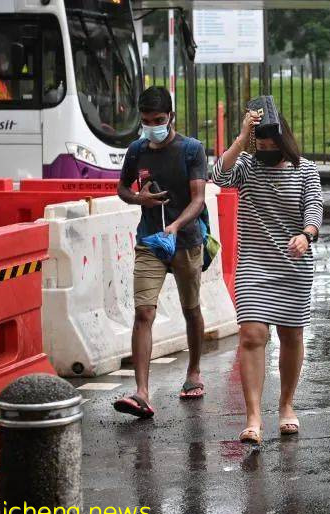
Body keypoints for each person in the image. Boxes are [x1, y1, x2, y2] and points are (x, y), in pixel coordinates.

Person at [213, 105, 323, 445]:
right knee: (252, 334)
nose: (263, 150)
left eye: (268, 143)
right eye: (257, 144)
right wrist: (242, 136)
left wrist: (306, 235)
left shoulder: (305, 170)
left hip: (294, 265)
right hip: (255, 265)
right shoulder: (245, 166)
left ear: (282, 139)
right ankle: (253, 416)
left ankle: (286, 405)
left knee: (291, 336)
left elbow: (314, 208)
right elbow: (217, 175)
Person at [114, 86, 207, 418]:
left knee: (191, 309)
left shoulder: (191, 150)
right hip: (150, 242)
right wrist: (141, 199)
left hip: (185, 241)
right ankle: (141, 393)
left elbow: (198, 200)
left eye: (159, 119)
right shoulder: (137, 151)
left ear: (171, 117)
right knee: (144, 313)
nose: (153, 125)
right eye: (146, 120)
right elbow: (123, 188)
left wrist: (176, 226)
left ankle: (193, 372)